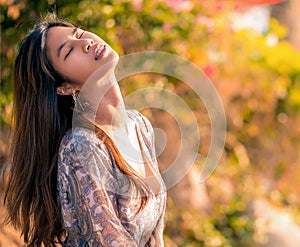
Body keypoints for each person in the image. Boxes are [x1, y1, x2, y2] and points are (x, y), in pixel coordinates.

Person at [1, 14, 166, 247]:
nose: (85, 42)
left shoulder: (140, 127)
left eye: (79, 33)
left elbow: (154, 238)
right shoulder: (81, 146)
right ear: (65, 87)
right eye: (69, 51)